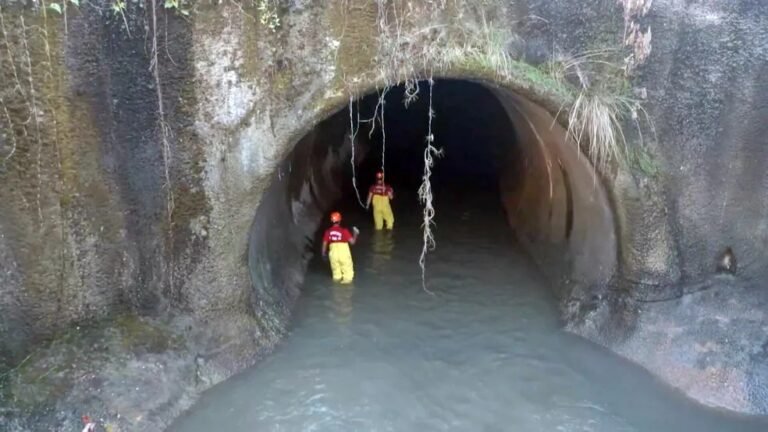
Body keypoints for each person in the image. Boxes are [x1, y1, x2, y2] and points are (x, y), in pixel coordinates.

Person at [321, 211, 359, 284]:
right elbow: (352, 242)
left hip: (333, 254)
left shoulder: (328, 231)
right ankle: (345, 293)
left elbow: (324, 243)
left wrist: (323, 254)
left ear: (331, 220)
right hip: (343, 253)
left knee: (336, 275)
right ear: (340, 220)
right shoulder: (344, 231)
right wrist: (355, 233)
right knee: (348, 276)